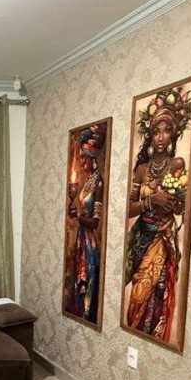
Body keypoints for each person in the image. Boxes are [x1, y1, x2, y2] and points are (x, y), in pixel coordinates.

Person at [124, 88, 191, 341]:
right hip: (140, 235)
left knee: (158, 292)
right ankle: (133, 338)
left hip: (163, 238)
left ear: (174, 133)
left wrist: (177, 202)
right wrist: (151, 200)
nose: (161, 137)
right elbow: (128, 210)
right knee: (137, 294)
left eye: (166, 131)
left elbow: (179, 209)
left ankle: (152, 339)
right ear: (150, 135)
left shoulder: (177, 164)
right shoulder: (142, 169)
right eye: (156, 131)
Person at [66, 125, 105, 322]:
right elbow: (80, 212)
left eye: (84, 157)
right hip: (80, 239)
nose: (82, 161)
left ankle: (86, 315)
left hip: (90, 243)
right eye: (81, 157)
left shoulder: (98, 183)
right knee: (77, 285)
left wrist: (79, 216)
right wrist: (74, 212)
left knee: (87, 283)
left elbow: (95, 222)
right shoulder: (87, 181)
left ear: (92, 157)